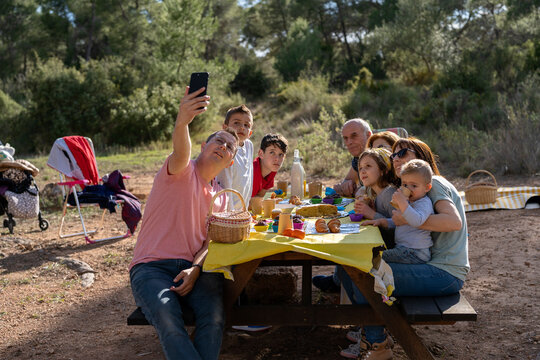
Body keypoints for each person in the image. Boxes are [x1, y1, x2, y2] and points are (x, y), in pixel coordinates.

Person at [129, 86, 239, 360]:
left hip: (193, 271)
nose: (223, 146)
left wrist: (196, 269)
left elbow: (208, 243)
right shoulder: (179, 171)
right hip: (151, 267)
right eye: (218, 141)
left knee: (214, 318)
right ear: (204, 146)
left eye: (228, 147)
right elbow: (181, 149)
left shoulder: (221, 199)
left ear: (230, 161)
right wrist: (183, 120)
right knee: (168, 317)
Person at [338, 137, 469, 360]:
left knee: (365, 275)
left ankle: (377, 344)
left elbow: (453, 222)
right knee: (353, 267)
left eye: (403, 153)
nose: (396, 159)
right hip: (429, 263)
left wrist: (406, 219)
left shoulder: (434, 184)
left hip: (444, 271)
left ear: (422, 158)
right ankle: (375, 332)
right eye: (393, 155)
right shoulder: (411, 188)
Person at [362, 159, 434, 264]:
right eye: (405, 185)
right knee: (373, 254)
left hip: (416, 252)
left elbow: (417, 221)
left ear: (427, 187)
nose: (408, 189)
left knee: (375, 259)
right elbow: (400, 222)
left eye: (414, 186)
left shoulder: (423, 203)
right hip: (404, 248)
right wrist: (384, 221)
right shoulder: (408, 202)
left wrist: (402, 203)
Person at [216, 104, 254, 209]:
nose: (242, 127)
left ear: (250, 133)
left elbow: (248, 178)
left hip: (242, 209)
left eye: (246, 125)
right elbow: (224, 185)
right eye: (236, 123)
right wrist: (230, 214)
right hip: (227, 212)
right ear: (225, 127)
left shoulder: (249, 145)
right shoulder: (225, 149)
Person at [333, 118, 372, 198]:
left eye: (354, 136)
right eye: (345, 138)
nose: (349, 142)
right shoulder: (359, 157)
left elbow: (377, 192)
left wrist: (357, 190)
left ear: (368, 135)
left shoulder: (379, 157)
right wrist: (346, 185)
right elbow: (347, 181)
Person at [251, 133, 288, 198]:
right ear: (261, 154)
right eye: (272, 152)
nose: (277, 159)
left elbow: (259, 197)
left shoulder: (272, 169)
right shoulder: (251, 171)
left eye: (281, 154)